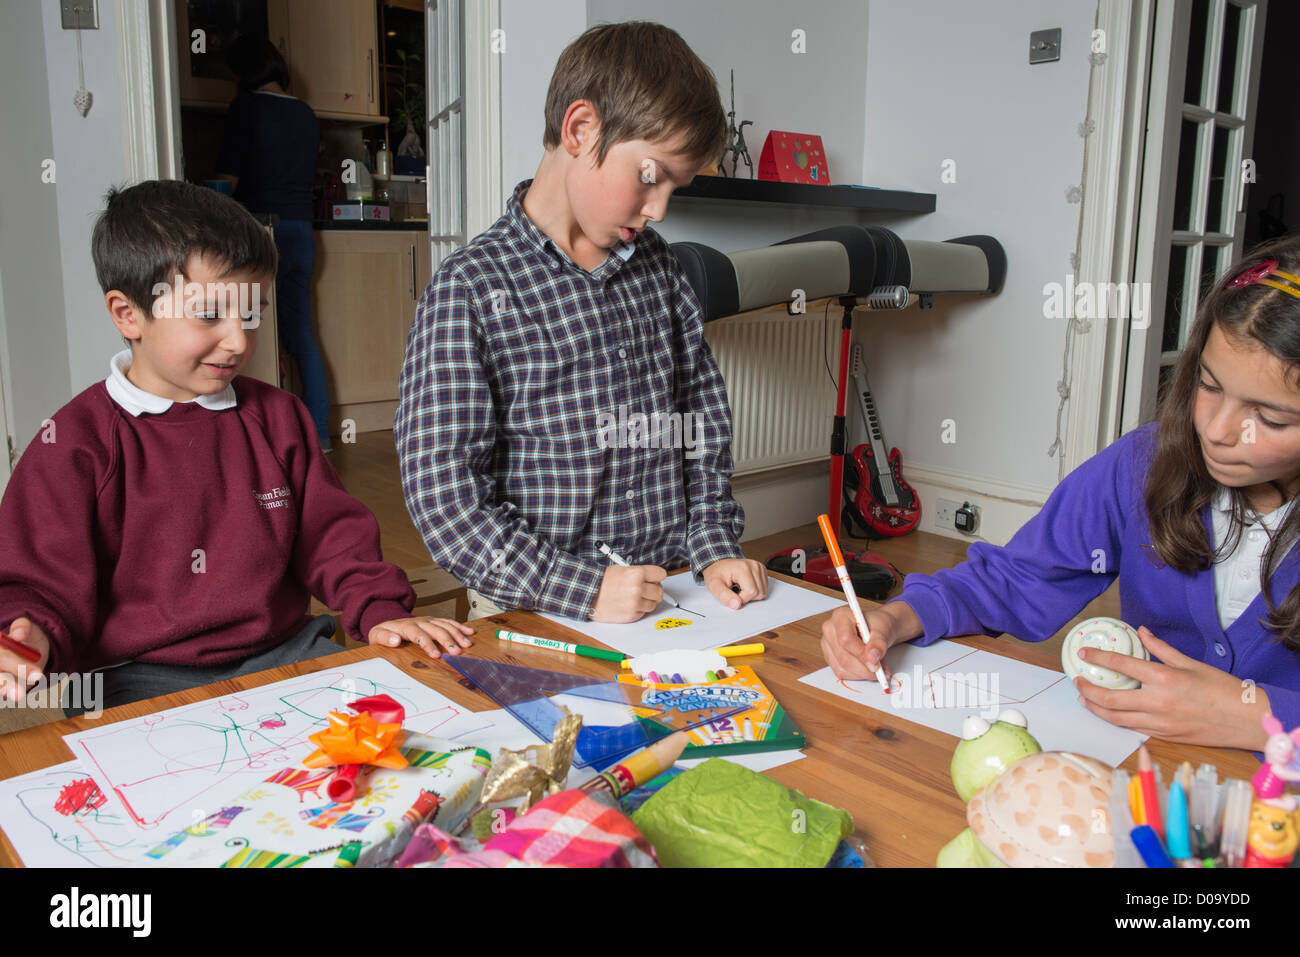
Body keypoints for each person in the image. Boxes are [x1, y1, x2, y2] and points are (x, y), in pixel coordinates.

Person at [0, 180, 471, 715]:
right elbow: (36, 581)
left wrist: (380, 608)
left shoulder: (277, 416)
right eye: (209, 316)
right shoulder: (73, 443)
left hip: (283, 650)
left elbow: (331, 536)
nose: (238, 340)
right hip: (137, 676)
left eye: (251, 314)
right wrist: (30, 633)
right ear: (128, 314)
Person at [820, 235, 1300, 752]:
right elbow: (1019, 577)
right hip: (1141, 774)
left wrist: (1258, 715)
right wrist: (898, 617)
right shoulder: (1145, 462)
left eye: (1268, 417)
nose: (1217, 429)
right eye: (1208, 385)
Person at [396, 21, 767, 623]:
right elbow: (446, 496)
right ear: (580, 129)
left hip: (673, 594)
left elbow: (701, 420)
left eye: (677, 187)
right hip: (535, 606)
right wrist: (582, 589)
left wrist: (714, 544)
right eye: (652, 176)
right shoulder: (471, 288)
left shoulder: (661, 270)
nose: (659, 209)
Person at [215, 36, 332, 451]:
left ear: (243, 73)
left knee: (249, 335)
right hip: (302, 230)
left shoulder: (245, 109)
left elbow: (226, 182)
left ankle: (260, 442)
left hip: (260, 232)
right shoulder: (305, 113)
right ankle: (318, 435)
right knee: (301, 334)